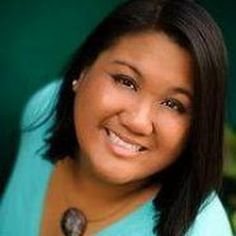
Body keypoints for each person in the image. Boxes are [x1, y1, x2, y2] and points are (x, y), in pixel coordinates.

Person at [0, 0, 233, 235]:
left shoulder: (203, 231)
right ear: (83, 70)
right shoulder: (42, 110)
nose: (137, 121)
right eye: (126, 81)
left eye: (173, 104)